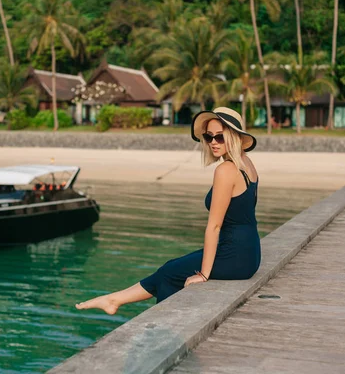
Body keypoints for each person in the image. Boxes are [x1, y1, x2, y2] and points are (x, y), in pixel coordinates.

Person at [75, 107, 260, 315]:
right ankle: (114, 299)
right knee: (171, 267)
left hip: (234, 255)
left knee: (171, 273)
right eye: (208, 137)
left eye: (219, 137)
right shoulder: (247, 163)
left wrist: (204, 275)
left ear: (234, 136)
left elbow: (214, 226)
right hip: (251, 253)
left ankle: (162, 323)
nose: (213, 142)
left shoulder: (225, 170)